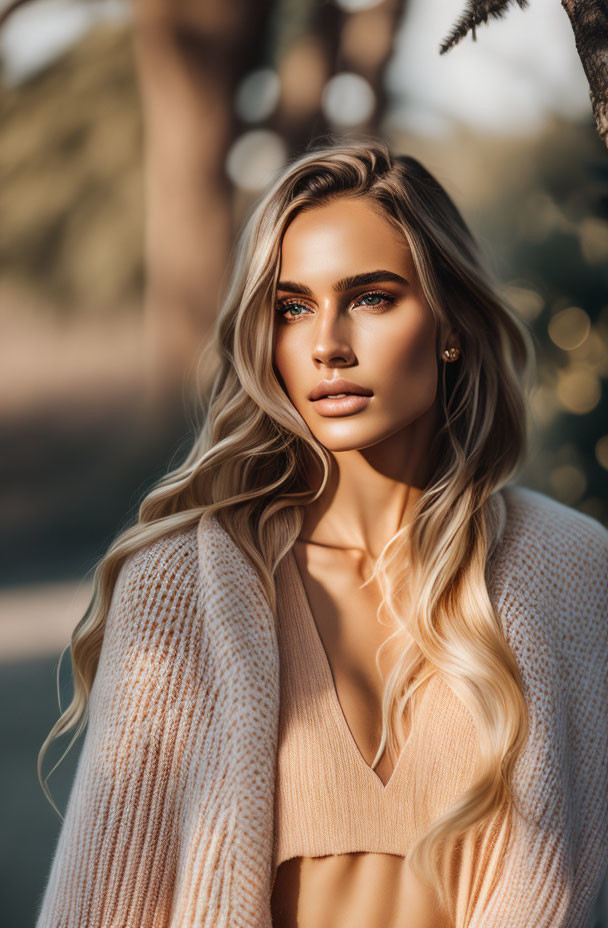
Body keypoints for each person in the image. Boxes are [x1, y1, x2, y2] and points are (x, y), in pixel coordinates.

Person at [34, 139, 608, 928]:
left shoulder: (574, 571)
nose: (326, 345)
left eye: (370, 297)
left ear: (450, 321)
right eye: (292, 307)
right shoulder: (181, 588)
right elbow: (96, 909)